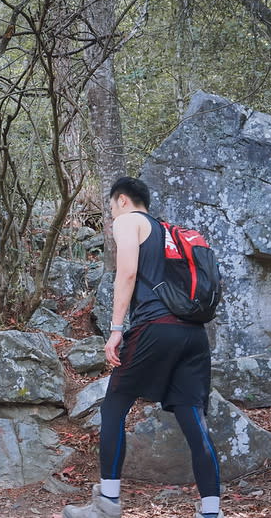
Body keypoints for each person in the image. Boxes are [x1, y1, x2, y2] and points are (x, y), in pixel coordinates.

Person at [62, 176, 223, 518]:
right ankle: (211, 510)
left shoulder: (129, 221)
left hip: (155, 327)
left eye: (110, 207)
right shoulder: (172, 233)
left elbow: (128, 274)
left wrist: (116, 329)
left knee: (115, 406)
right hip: (194, 334)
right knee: (192, 417)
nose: (111, 215)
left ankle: (108, 503)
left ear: (122, 200)